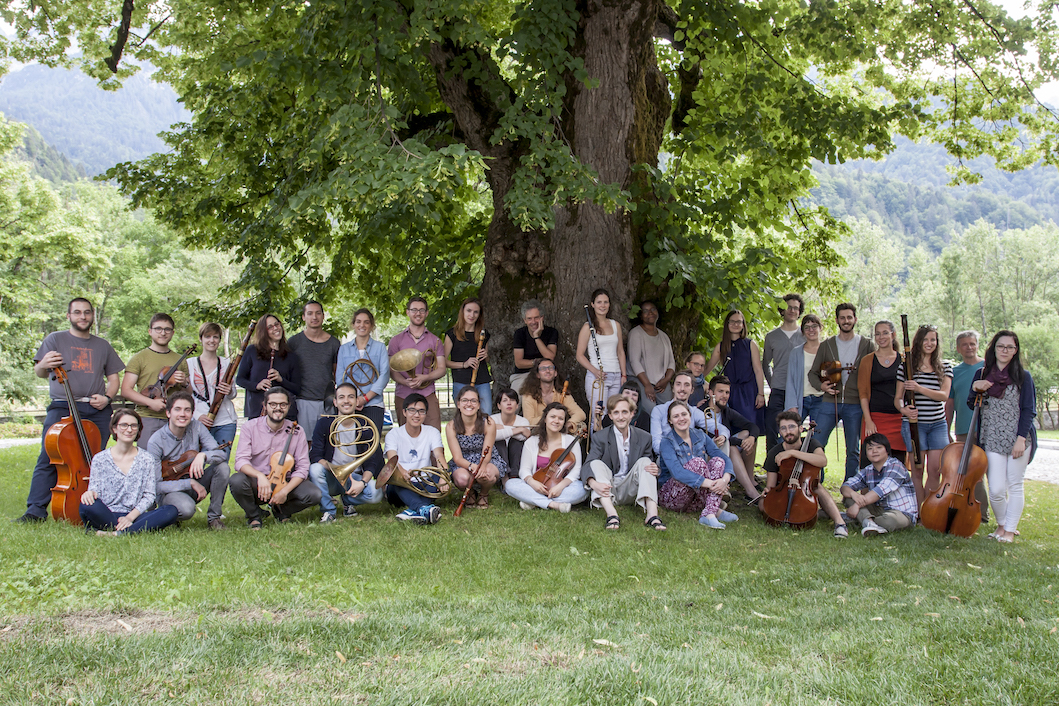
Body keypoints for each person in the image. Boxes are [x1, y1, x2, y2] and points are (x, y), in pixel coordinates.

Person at [20, 297, 124, 523]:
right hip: (63, 405)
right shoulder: (55, 339)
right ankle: (35, 511)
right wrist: (43, 364)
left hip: (96, 409)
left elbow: (114, 379)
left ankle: (92, 508)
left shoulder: (102, 345)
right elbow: (40, 371)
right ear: (68, 316)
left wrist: (107, 398)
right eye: (77, 312)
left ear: (92, 316)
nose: (82, 316)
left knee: (94, 460)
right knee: (50, 456)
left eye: (87, 312)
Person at [970, 330, 1036, 543]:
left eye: (1010, 347)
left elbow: (1029, 410)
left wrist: (1021, 439)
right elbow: (972, 404)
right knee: (996, 488)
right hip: (991, 438)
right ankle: (1001, 525)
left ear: (1015, 351)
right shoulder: (981, 374)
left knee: (1015, 484)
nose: (1005, 350)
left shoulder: (1023, 377)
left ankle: (1009, 531)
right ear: (994, 348)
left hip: (1018, 439)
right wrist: (976, 388)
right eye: (1001, 346)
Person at [79, 409, 179, 536]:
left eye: (133, 426)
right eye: (124, 425)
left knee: (170, 511)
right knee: (86, 505)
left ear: (138, 429)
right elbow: (94, 490)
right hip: (106, 513)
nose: (129, 429)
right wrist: (89, 493)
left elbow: (149, 496)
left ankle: (115, 534)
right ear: (114, 428)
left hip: (135, 515)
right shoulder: (100, 459)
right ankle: (131, 530)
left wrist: (129, 518)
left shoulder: (146, 459)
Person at [230, 386, 320, 528]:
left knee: (314, 494)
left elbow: (303, 468)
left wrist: (284, 491)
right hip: (257, 482)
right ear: (265, 406)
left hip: (284, 481)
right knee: (236, 481)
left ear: (288, 406)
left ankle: (280, 510)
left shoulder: (297, 431)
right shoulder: (250, 427)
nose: (278, 408)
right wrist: (259, 476)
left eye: (283, 404)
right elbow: (241, 461)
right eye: (273, 404)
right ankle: (254, 515)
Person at [809, 303, 875, 480]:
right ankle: (815, 484)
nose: (846, 321)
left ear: (855, 319)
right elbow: (812, 374)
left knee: (853, 449)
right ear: (837, 320)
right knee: (817, 443)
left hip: (856, 404)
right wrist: (822, 387)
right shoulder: (827, 345)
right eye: (842, 318)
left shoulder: (866, 345)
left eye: (849, 317)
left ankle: (849, 487)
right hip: (830, 403)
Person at [147, 392, 230, 529]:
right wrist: (189, 483)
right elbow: (156, 485)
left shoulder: (197, 427)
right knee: (186, 509)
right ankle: (170, 514)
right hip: (170, 491)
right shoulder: (156, 441)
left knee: (222, 467)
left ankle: (214, 518)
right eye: (177, 409)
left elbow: (221, 454)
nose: (183, 414)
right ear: (168, 413)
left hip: (195, 480)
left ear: (192, 414)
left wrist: (203, 456)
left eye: (187, 410)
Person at [762, 410, 849, 538]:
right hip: (784, 490)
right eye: (783, 428)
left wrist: (793, 453)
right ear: (780, 431)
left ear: (801, 428)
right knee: (762, 505)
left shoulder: (812, 444)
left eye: (791, 427)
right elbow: (771, 484)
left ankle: (840, 523)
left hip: (806, 488)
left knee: (817, 487)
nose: (788, 431)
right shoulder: (775, 452)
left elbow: (822, 461)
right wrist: (768, 491)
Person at [583, 395, 665, 530]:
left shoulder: (644, 437)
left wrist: (655, 469)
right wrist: (593, 484)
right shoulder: (600, 437)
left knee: (646, 462)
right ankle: (612, 515)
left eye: (624, 412)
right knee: (595, 463)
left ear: (632, 414)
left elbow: (647, 468)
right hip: (608, 487)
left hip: (632, 488)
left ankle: (652, 515)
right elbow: (588, 465)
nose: (621, 417)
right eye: (616, 413)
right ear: (610, 416)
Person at [308, 383, 382, 524]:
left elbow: (371, 462)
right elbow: (315, 455)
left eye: (351, 397)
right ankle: (329, 511)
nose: (346, 401)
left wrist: (362, 483)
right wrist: (335, 470)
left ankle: (348, 500)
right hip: (331, 476)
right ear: (335, 402)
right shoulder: (324, 423)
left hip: (354, 478)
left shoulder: (365, 425)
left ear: (357, 401)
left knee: (376, 493)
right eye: (341, 397)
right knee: (315, 469)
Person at [894, 324, 952, 503]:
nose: (929, 343)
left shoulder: (945, 367)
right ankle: (918, 511)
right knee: (917, 471)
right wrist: (903, 409)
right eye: (925, 339)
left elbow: (943, 395)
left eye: (933, 340)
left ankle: (930, 510)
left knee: (935, 470)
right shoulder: (906, 368)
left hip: (937, 424)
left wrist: (919, 388)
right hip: (914, 425)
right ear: (918, 342)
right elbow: (898, 399)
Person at [657, 401, 736, 529]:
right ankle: (714, 510)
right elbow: (677, 472)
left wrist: (724, 480)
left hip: (696, 499)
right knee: (697, 463)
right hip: (673, 498)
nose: (681, 418)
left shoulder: (700, 435)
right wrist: (712, 484)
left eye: (684, 414)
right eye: (676, 416)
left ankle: (710, 512)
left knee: (718, 461)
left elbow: (724, 458)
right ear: (670, 421)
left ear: (690, 415)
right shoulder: (667, 442)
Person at [334, 308, 390, 483]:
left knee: (373, 442)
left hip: (373, 402)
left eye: (366, 322)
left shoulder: (380, 347)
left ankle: (382, 482)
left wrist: (364, 398)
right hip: (350, 404)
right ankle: (357, 481)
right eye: (358, 322)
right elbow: (340, 377)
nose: (362, 325)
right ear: (353, 324)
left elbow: (384, 375)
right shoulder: (344, 349)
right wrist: (351, 399)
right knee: (355, 442)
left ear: (372, 326)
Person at [121, 313, 191, 448]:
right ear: (150, 331)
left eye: (167, 329)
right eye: (158, 329)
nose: (163, 333)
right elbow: (126, 390)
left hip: (174, 420)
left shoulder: (180, 360)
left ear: (172, 333)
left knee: (174, 459)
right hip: (147, 418)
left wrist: (185, 383)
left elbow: (188, 393)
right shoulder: (139, 358)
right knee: (147, 458)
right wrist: (150, 402)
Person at [705, 310, 765, 465]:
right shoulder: (721, 346)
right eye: (732, 321)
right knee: (732, 429)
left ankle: (749, 470)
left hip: (749, 392)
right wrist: (701, 382)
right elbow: (708, 369)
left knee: (751, 430)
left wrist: (760, 393)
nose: (736, 324)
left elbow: (758, 370)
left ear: (743, 325)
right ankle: (734, 468)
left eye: (739, 321)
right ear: (727, 324)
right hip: (730, 393)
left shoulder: (750, 344)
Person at [507, 402, 587, 512]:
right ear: (545, 419)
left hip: (561, 487)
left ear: (564, 422)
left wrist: (560, 487)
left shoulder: (571, 442)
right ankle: (554, 504)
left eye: (560, 418)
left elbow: (576, 471)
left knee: (582, 489)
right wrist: (532, 483)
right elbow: (524, 470)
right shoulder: (531, 441)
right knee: (510, 484)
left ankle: (533, 501)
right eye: (552, 417)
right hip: (536, 485)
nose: (556, 421)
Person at [382, 394, 448, 525]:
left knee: (438, 476)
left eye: (421, 411)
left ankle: (412, 511)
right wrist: (403, 473)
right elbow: (392, 461)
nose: (417, 415)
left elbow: (439, 456)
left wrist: (444, 476)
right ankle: (423, 508)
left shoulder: (432, 432)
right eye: (412, 410)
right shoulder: (393, 434)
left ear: (425, 414)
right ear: (404, 412)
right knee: (397, 482)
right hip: (402, 485)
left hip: (424, 483)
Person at [946, 330, 988, 522]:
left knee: (991, 472)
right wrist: (947, 429)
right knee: (971, 473)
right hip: (964, 428)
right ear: (958, 348)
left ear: (977, 345)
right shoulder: (954, 372)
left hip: (988, 429)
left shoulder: (988, 368)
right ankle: (978, 513)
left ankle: (997, 514)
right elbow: (950, 404)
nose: (969, 347)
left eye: (972, 343)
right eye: (965, 344)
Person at [840, 433, 918, 536]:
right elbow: (845, 487)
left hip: (901, 513)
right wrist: (854, 494)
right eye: (870, 448)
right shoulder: (868, 470)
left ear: (887, 450)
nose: (874, 451)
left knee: (888, 521)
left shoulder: (896, 467)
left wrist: (856, 506)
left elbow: (879, 492)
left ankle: (860, 519)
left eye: (879, 447)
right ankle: (869, 522)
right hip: (878, 509)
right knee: (849, 497)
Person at [387, 297, 446, 430]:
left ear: (427, 313)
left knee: (433, 433)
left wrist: (425, 377)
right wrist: (405, 381)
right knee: (405, 436)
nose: (418, 313)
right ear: (407, 312)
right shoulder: (396, 341)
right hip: (403, 394)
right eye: (414, 310)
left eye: (421, 310)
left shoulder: (435, 340)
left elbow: (442, 368)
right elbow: (392, 370)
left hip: (427, 393)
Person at [704, 375, 763, 506]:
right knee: (731, 447)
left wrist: (751, 438)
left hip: (725, 449)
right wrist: (738, 442)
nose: (724, 396)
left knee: (748, 435)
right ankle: (751, 492)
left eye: (727, 392)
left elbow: (752, 426)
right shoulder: (701, 411)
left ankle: (750, 480)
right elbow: (711, 438)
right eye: (720, 391)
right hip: (707, 455)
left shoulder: (726, 411)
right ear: (711, 392)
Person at [575, 288, 628, 428]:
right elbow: (579, 355)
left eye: (606, 302)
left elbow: (620, 352)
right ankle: (597, 442)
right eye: (599, 302)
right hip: (597, 377)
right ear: (592, 304)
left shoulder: (616, 325)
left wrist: (623, 374)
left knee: (614, 415)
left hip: (616, 375)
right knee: (598, 418)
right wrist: (595, 371)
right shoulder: (588, 327)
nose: (603, 305)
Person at [288, 301, 341, 436]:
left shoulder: (334, 343)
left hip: (327, 402)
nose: (314, 317)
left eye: (318, 313)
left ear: (323, 316)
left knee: (328, 441)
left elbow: (337, 373)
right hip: (303, 401)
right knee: (304, 442)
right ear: (303, 317)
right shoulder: (294, 342)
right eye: (310, 313)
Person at [856, 320, 906, 464]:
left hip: (898, 420)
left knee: (896, 465)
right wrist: (868, 420)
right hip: (875, 419)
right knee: (870, 464)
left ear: (893, 335)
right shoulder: (867, 361)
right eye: (877, 334)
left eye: (885, 333)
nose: (881, 337)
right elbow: (863, 394)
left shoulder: (903, 360)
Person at [236, 313, 302, 421]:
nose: (275, 328)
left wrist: (281, 379)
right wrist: (257, 385)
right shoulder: (252, 350)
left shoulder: (291, 356)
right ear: (263, 331)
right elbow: (240, 379)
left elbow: (297, 389)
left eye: (277, 324)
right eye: (270, 327)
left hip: (284, 414)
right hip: (258, 411)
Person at [447, 386, 504, 509]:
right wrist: (471, 466)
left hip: (486, 459)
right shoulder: (451, 426)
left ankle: (484, 494)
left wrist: (482, 466)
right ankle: (471, 493)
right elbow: (457, 458)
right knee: (462, 479)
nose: (469, 404)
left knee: (488, 475)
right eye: (465, 400)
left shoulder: (488, 422)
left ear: (478, 405)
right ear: (458, 404)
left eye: (473, 401)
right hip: (463, 461)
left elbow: (488, 451)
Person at [187, 322, 237, 459]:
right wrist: (197, 415)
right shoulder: (190, 363)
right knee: (197, 462)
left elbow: (233, 394)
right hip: (199, 420)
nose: (212, 340)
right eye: (207, 336)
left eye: (215, 337)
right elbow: (187, 395)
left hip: (225, 421)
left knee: (221, 461)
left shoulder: (226, 363)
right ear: (201, 339)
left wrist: (229, 391)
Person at [762, 294, 805, 445]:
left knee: (795, 430)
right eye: (789, 307)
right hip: (778, 389)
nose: (792, 311)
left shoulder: (805, 336)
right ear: (782, 310)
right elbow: (765, 363)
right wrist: (772, 382)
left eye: (795, 308)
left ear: (799, 312)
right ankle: (772, 459)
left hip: (800, 390)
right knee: (772, 429)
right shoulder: (771, 336)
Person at [445, 297, 493, 414]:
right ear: (463, 311)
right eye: (469, 311)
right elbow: (444, 362)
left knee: (486, 414)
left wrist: (486, 355)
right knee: (464, 415)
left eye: (476, 312)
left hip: (482, 380)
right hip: (461, 381)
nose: (472, 315)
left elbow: (487, 360)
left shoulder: (483, 334)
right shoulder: (452, 334)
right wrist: (464, 364)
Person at [626, 300, 675, 413]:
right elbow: (634, 361)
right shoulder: (636, 333)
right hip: (640, 380)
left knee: (669, 410)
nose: (650, 313)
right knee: (651, 410)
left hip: (661, 382)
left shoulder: (664, 336)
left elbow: (671, 362)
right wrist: (647, 385)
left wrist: (666, 379)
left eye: (653, 309)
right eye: (645, 311)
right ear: (640, 315)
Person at [521, 358, 587, 432]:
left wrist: (569, 423)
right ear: (538, 375)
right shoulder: (528, 395)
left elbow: (580, 413)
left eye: (550, 368)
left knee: (581, 425)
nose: (547, 371)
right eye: (543, 369)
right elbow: (529, 422)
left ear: (555, 373)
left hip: (559, 430)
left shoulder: (562, 393)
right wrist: (550, 416)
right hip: (539, 432)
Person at [510, 299, 559, 393]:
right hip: (523, 374)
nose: (533, 322)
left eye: (536, 318)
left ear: (542, 317)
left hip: (546, 373)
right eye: (529, 318)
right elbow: (519, 363)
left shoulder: (551, 332)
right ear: (524, 320)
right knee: (515, 396)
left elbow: (550, 357)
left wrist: (536, 337)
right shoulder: (520, 334)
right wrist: (537, 362)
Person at [783, 314, 824, 421]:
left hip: (821, 399)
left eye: (814, 326)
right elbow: (790, 380)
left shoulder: (827, 350)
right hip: (801, 399)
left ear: (820, 328)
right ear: (802, 331)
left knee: (817, 431)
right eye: (807, 327)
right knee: (792, 429)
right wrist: (792, 404)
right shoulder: (796, 352)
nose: (811, 330)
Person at [491, 387, 532, 480]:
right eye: (505, 400)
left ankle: (514, 476)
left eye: (512, 400)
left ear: (517, 405)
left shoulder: (523, 421)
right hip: (497, 458)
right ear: (499, 406)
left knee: (516, 442)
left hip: (515, 457)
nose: (509, 403)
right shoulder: (492, 419)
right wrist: (519, 430)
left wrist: (502, 428)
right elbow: (493, 436)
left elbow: (523, 437)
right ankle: (504, 477)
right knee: (500, 442)